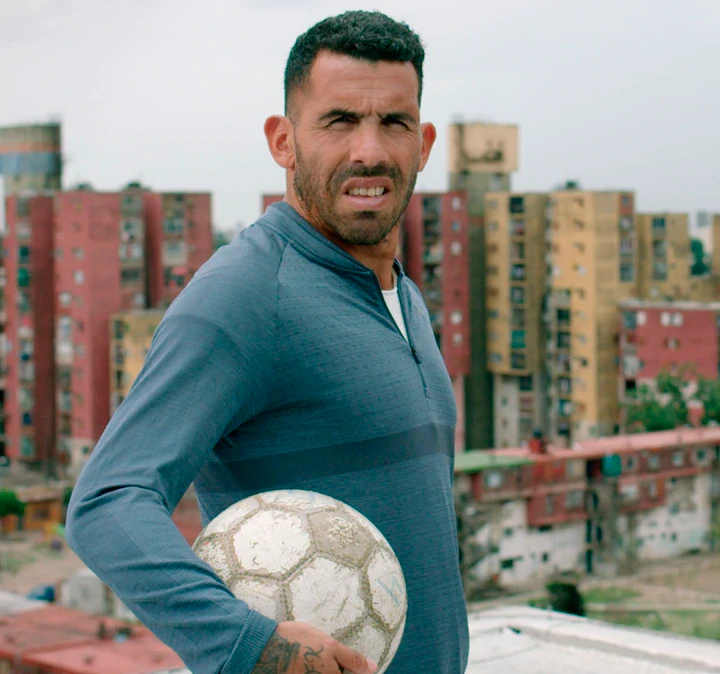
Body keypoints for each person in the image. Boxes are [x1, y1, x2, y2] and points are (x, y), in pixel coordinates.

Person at [65, 11, 467, 674]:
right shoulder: (247, 293)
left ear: (422, 143)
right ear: (283, 141)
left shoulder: (403, 293)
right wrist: (249, 646)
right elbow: (108, 502)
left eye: (393, 123)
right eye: (339, 121)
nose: (369, 150)